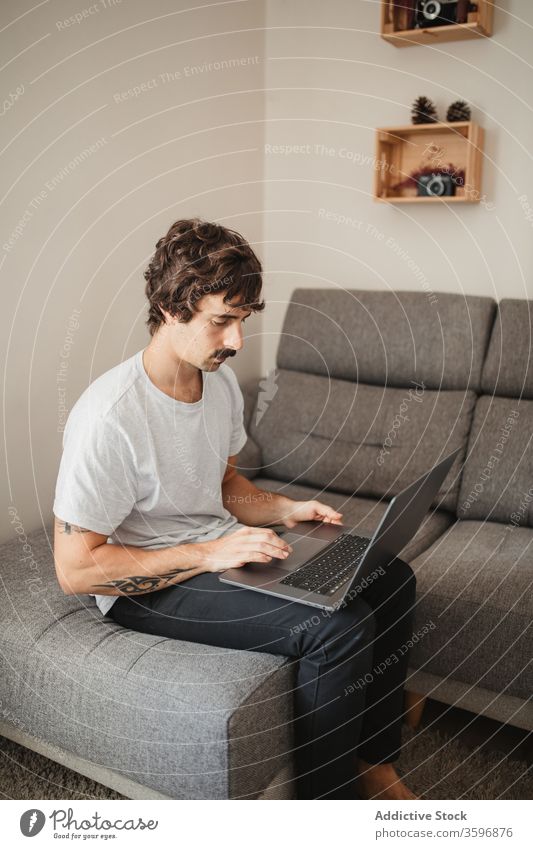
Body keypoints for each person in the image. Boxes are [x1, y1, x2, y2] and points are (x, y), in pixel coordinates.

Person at [53, 217, 418, 800]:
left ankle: (374, 761)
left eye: (242, 321)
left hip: (220, 548)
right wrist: (210, 551)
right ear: (172, 308)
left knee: (393, 577)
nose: (236, 342)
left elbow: (223, 485)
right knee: (339, 629)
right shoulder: (109, 418)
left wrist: (284, 508)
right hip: (146, 589)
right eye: (222, 321)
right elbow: (76, 570)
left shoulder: (216, 382)